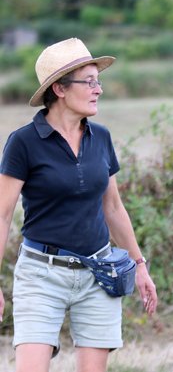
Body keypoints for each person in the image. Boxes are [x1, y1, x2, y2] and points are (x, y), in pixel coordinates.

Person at [0, 38, 158, 372]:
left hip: (99, 272)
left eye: (98, 81)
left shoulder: (101, 137)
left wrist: (139, 265)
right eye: (88, 82)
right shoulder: (23, 143)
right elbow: (2, 216)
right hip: (41, 274)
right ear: (59, 89)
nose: (98, 89)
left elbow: (113, 208)